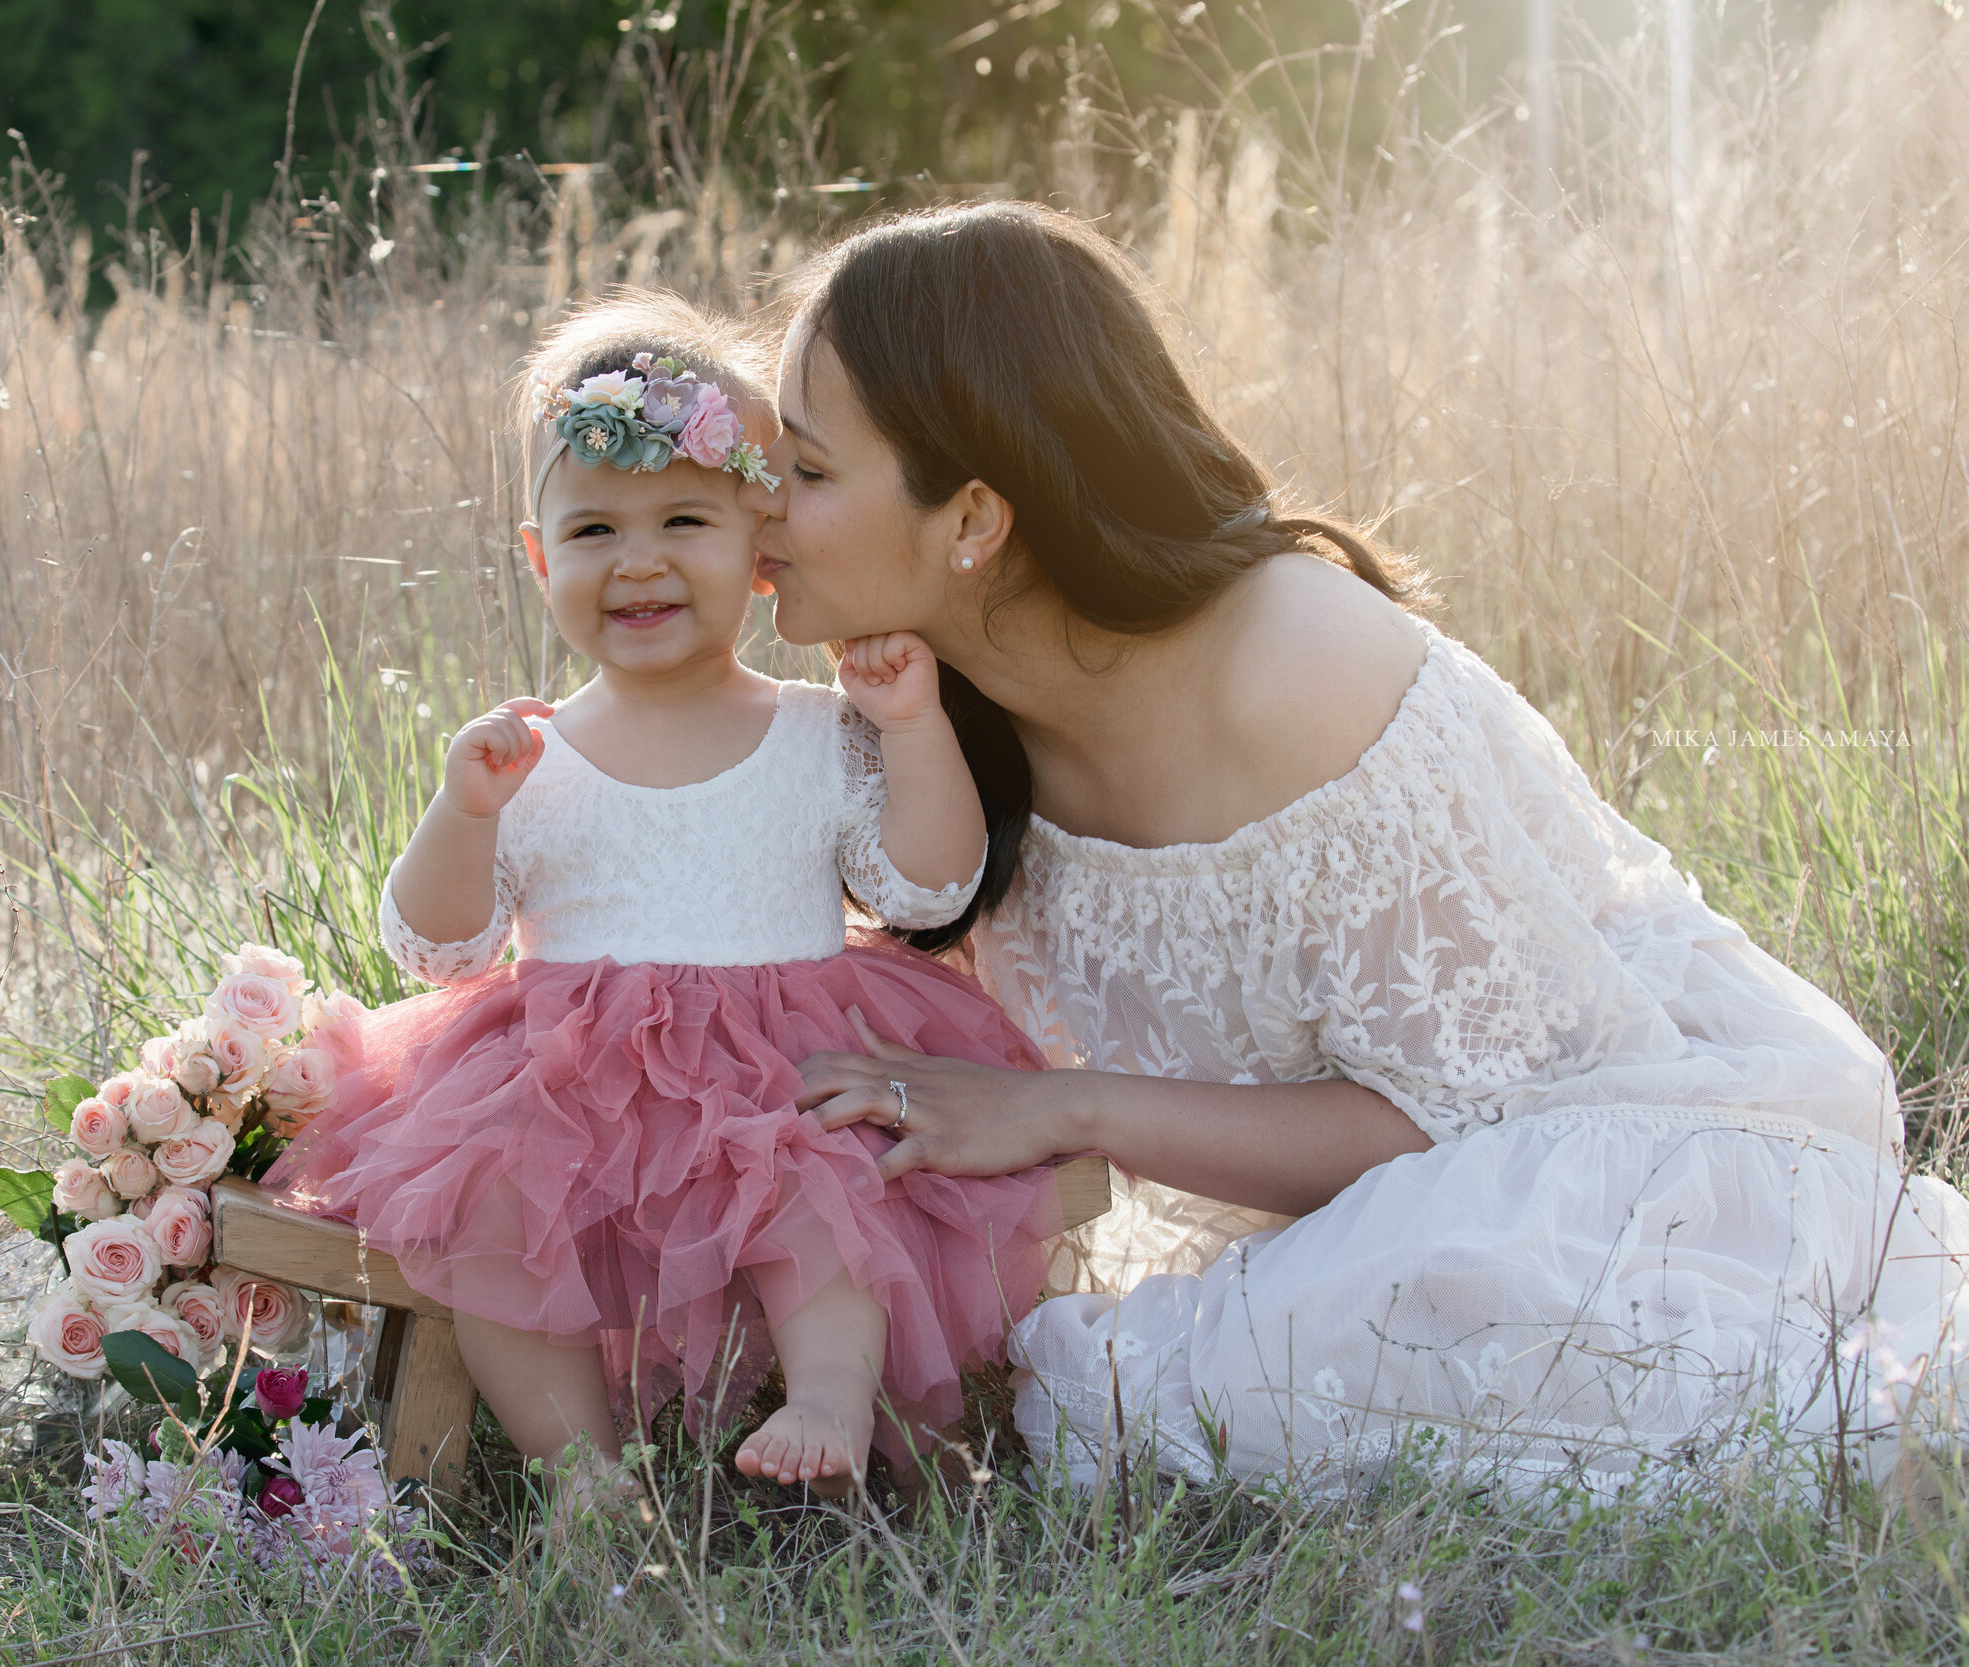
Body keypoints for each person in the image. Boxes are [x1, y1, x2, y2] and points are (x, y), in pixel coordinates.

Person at [760, 201, 1969, 1498]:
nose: (759, 504)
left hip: (1589, 1147)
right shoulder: (919, 712)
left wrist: (1064, 1106)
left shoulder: (1302, 672)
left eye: (809, 471)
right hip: (1357, 1201)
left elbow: (1459, 1127)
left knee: (1245, 1364)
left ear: (972, 519)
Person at [263, 292, 1061, 1502]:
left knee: (819, 1179)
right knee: (492, 1211)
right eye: (591, 531)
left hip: (785, 1059)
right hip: (570, 1082)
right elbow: (437, 948)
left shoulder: (819, 731)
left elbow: (925, 879)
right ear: (539, 557)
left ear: (761, 543)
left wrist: (912, 731)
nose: (636, 560)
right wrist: (462, 811)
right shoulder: (526, 754)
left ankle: (830, 1395)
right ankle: (580, 1470)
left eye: (685, 518)